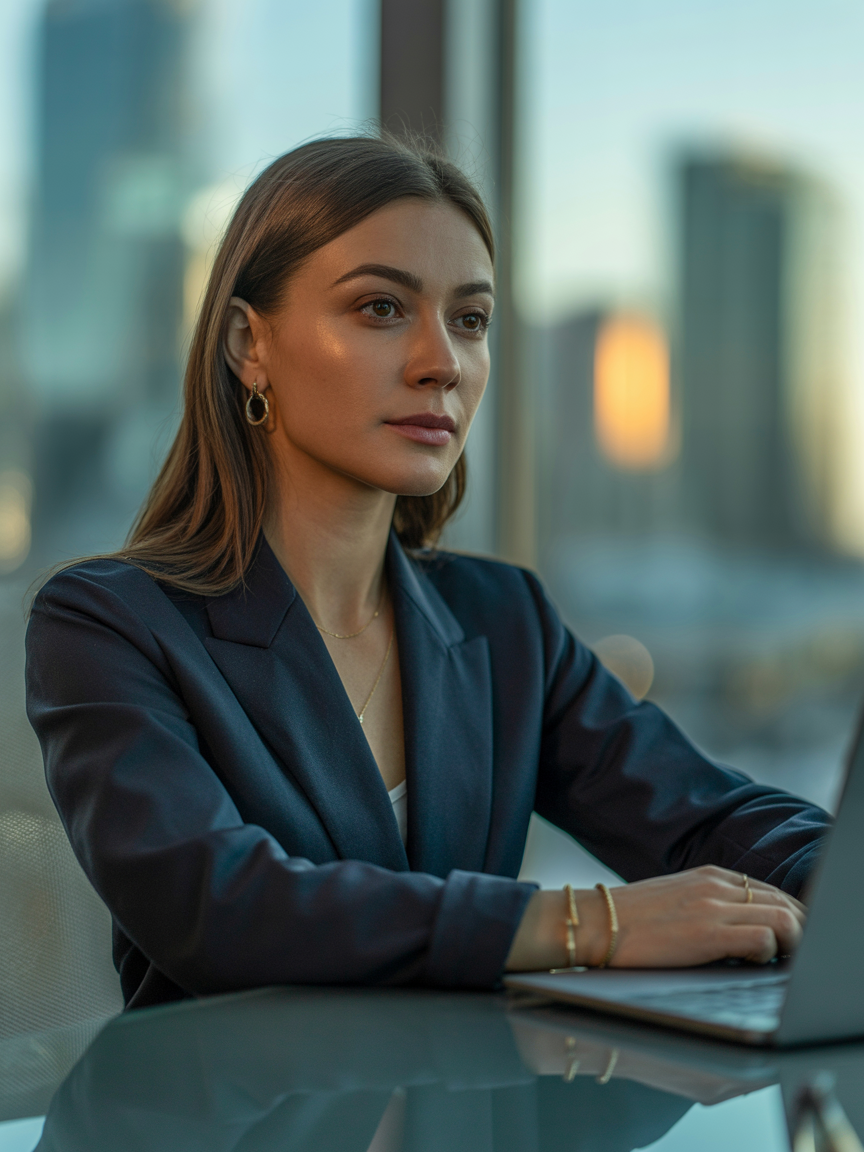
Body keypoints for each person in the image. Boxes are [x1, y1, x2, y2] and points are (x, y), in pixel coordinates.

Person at [25, 135, 827, 1011]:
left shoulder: (502, 620)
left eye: (471, 320)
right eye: (380, 308)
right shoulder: (109, 623)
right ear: (247, 344)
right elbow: (219, 907)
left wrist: (834, 882)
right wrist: (588, 927)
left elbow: (704, 815)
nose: (441, 361)